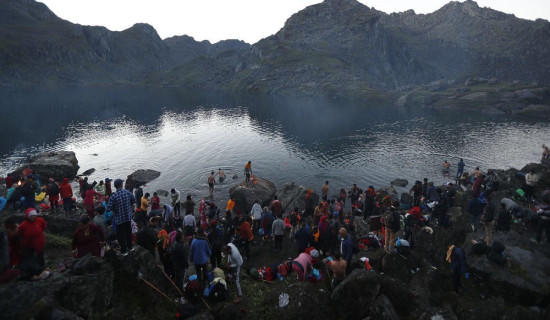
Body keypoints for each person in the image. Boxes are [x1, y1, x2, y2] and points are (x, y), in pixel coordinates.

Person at [107, 179, 136, 256]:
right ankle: (131, 247)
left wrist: (115, 208)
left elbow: (108, 208)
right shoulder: (127, 192)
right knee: (129, 232)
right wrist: (129, 205)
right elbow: (134, 200)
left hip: (119, 219)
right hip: (127, 217)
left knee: (121, 235)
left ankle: (124, 251)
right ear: (121, 185)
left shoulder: (113, 196)